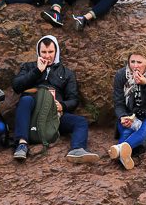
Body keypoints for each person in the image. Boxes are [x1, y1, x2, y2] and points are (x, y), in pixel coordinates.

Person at [10, 35, 100, 163]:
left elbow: (74, 99)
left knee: (80, 122)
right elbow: (16, 86)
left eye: (51, 52)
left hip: (54, 115)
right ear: (38, 52)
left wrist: (62, 106)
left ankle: (77, 149)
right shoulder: (29, 67)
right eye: (44, 52)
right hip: (32, 113)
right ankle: (22, 144)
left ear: (56, 51)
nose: (47, 56)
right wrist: (37, 71)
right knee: (25, 100)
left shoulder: (66, 73)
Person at [110, 45, 146, 170]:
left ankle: (118, 149)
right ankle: (125, 155)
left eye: (139, 62)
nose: (135, 66)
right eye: (132, 62)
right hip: (131, 116)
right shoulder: (121, 75)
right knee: (126, 130)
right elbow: (119, 103)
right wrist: (122, 116)